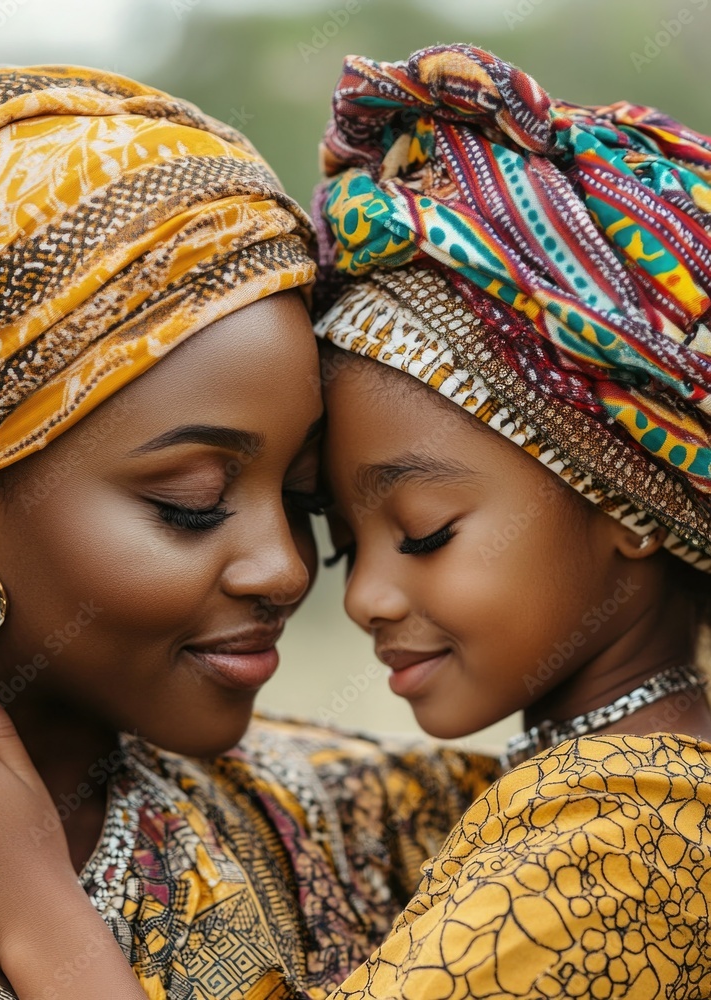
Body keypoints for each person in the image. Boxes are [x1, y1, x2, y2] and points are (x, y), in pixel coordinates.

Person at [0, 64, 500, 1000]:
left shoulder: (376, 824)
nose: (285, 569)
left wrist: (41, 922)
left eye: (300, 499)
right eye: (193, 501)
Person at [312, 44, 711, 998]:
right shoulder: (579, 789)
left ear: (628, 496)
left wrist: (32, 913)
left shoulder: (633, 842)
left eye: (423, 533)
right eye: (339, 542)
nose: (364, 597)